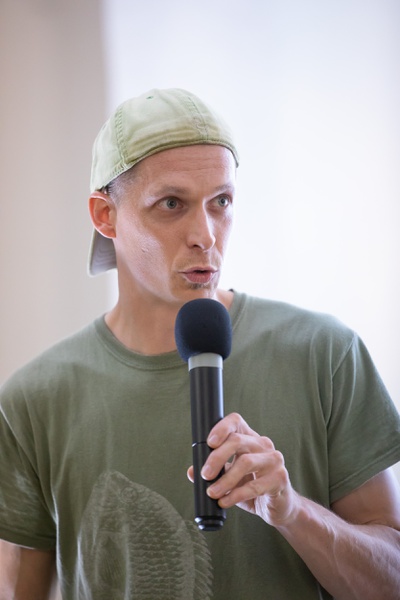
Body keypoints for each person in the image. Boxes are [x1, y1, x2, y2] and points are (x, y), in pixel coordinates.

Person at [0, 88, 400, 600]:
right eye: (172, 204)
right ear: (105, 215)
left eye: (221, 202)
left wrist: (292, 510)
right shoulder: (34, 400)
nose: (206, 235)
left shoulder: (325, 353)